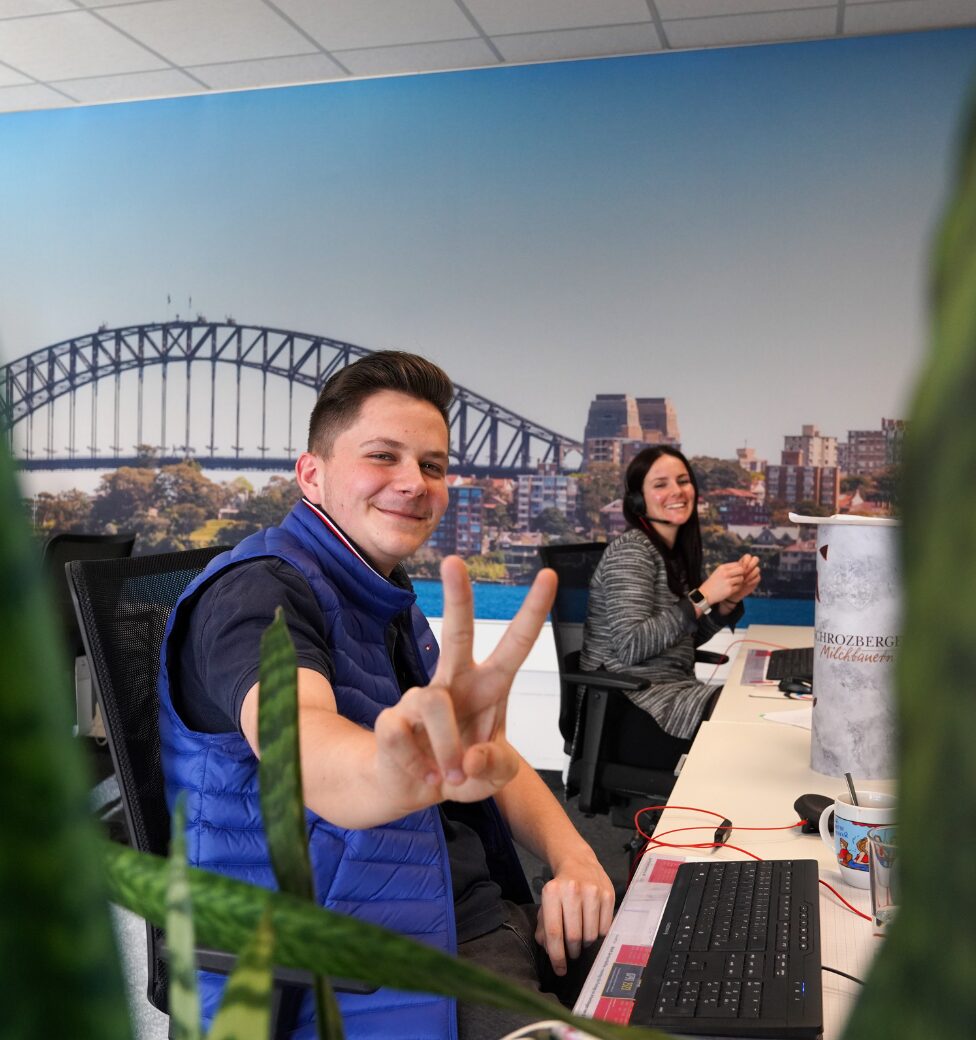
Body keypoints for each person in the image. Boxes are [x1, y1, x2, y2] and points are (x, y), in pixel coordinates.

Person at [158, 351, 614, 1040]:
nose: (413, 482)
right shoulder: (257, 595)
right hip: (379, 959)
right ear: (311, 475)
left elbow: (488, 755)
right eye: (382, 456)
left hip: (460, 906)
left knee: (703, 960)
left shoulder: (381, 592)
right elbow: (305, 750)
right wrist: (395, 772)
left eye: (432, 465)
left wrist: (574, 856)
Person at [579, 446, 761, 766]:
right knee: (745, 718)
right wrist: (703, 596)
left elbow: (677, 640)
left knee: (749, 710)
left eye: (683, 481)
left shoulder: (672, 554)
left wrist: (728, 601)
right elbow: (632, 645)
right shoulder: (631, 552)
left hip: (670, 693)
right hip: (629, 705)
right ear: (638, 501)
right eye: (661, 484)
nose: (676, 491)